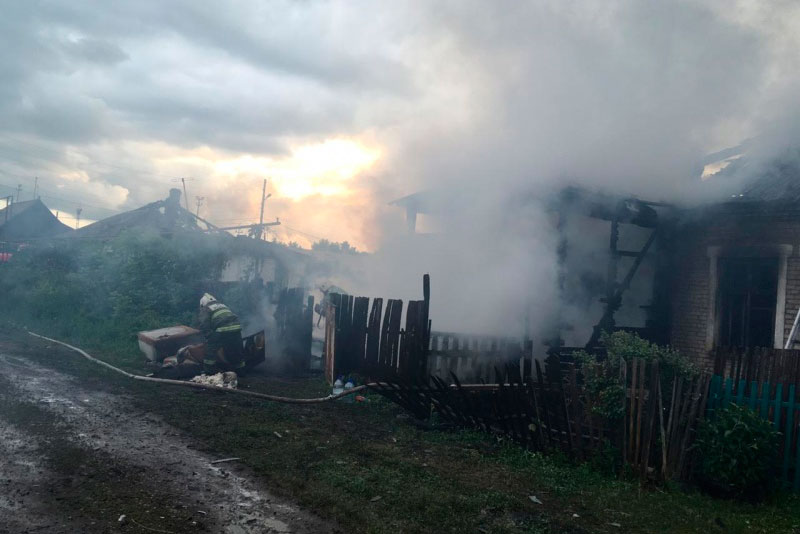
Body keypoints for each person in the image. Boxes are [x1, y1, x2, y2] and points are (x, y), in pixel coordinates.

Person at [197, 293, 245, 374]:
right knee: (236, 350)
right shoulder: (222, 305)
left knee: (210, 348)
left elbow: (204, 323)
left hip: (223, 330)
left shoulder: (206, 308)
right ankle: (241, 371)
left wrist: (208, 336)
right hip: (236, 328)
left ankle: (209, 371)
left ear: (203, 304)